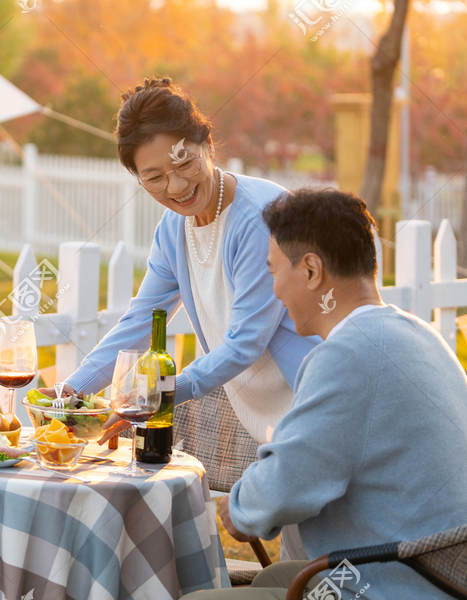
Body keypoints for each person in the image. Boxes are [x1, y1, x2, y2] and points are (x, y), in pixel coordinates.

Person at [50, 77, 320, 559]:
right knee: (306, 565)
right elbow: (140, 320)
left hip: (313, 397)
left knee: (324, 561)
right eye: (153, 177)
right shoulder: (173, 230)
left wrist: (157, 396)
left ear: (207, 144)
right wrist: (70, 392)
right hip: (268, 414)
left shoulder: (259, 217)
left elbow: (245, 343)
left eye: (184, 162)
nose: (175, 186)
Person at [189, 188, 467, 599]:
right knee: (276, 578)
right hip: (444, 578)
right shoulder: (420, 335)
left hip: (391, 582)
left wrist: (237, 508)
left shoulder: (348, 355)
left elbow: (283, 487)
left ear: (311, 271)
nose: (273, 290)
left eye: (273, 271)